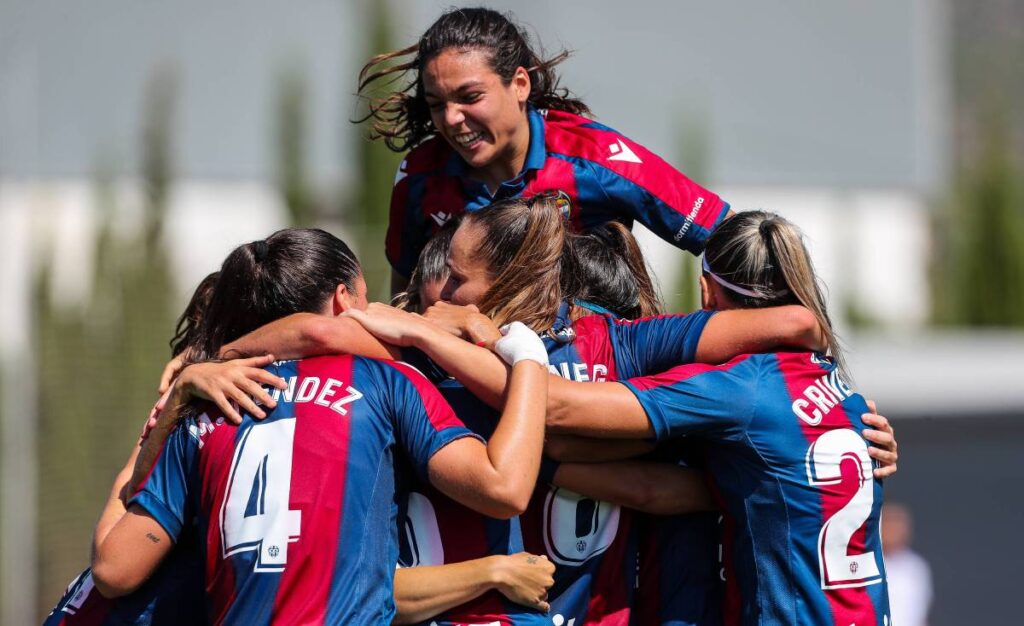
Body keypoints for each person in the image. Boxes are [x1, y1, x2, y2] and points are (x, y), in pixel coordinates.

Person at [420, 210, 894, 625]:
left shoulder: (735, 389)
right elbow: (682, 488)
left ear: (706, 291)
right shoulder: (846, 397)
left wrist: (459, 338)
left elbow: (559, 407)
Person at [89, 228, 552, 625]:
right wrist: (528, 354)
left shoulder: (204, 410)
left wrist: (176, 400)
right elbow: (503, 488)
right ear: (343, 300)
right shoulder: (388, 379)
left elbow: (114, 571)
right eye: (366, 298)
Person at [357, 7, 731, 294]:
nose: (451, 118)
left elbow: (723, 232)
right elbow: (405, 295)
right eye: (437, 104)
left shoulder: (594, 157)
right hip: (472, 364)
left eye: (469, 97)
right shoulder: (419, 176)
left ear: (519, 84)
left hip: (595, 361)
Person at [881, 503, 932, 626]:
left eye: (898, 522)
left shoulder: (917, 566)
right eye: (888, 522)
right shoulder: (865, 565)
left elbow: (921, 614)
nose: (893, 529)